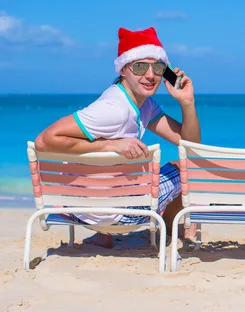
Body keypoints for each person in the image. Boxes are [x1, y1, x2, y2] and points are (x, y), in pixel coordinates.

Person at [34, 26, 201, 248]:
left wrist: (186, 102)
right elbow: (43, 141)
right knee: (182, 168)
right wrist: (111, 146)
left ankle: (104, 236)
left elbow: (188, 143)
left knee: (121, 171)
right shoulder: (114, 109)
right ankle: (175, 230)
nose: (150, 75)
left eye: (158, 67)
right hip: (113, 215)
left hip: (76, 209)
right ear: (123, 69)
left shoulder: (143, 105)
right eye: (140, 67)